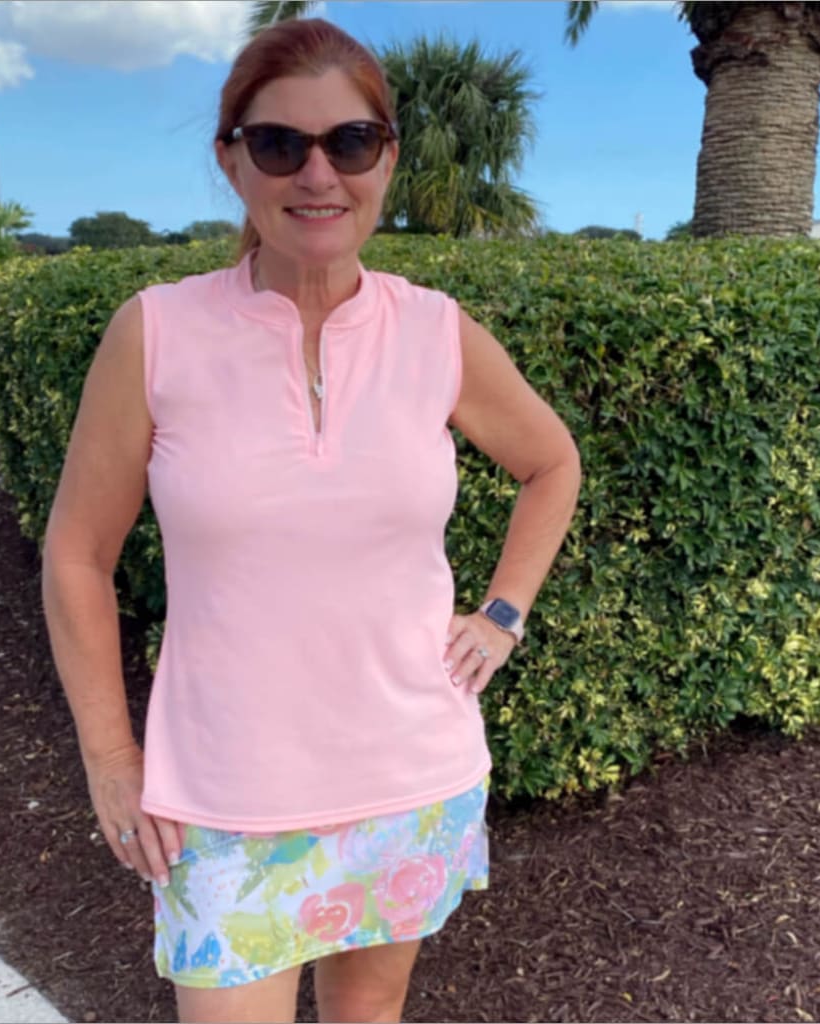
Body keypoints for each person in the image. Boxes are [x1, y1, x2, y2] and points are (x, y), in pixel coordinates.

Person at [42, 17, 581, 1024]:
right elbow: (77, 552)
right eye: (280, 144)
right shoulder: (156, 333)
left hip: (411, 779)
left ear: (386, 155)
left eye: (351, 142)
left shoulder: (435, 331)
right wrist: (112, 757)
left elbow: (551, 463)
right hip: (223, 800)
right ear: (231, 160)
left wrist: (501, 616)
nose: (317, 173)